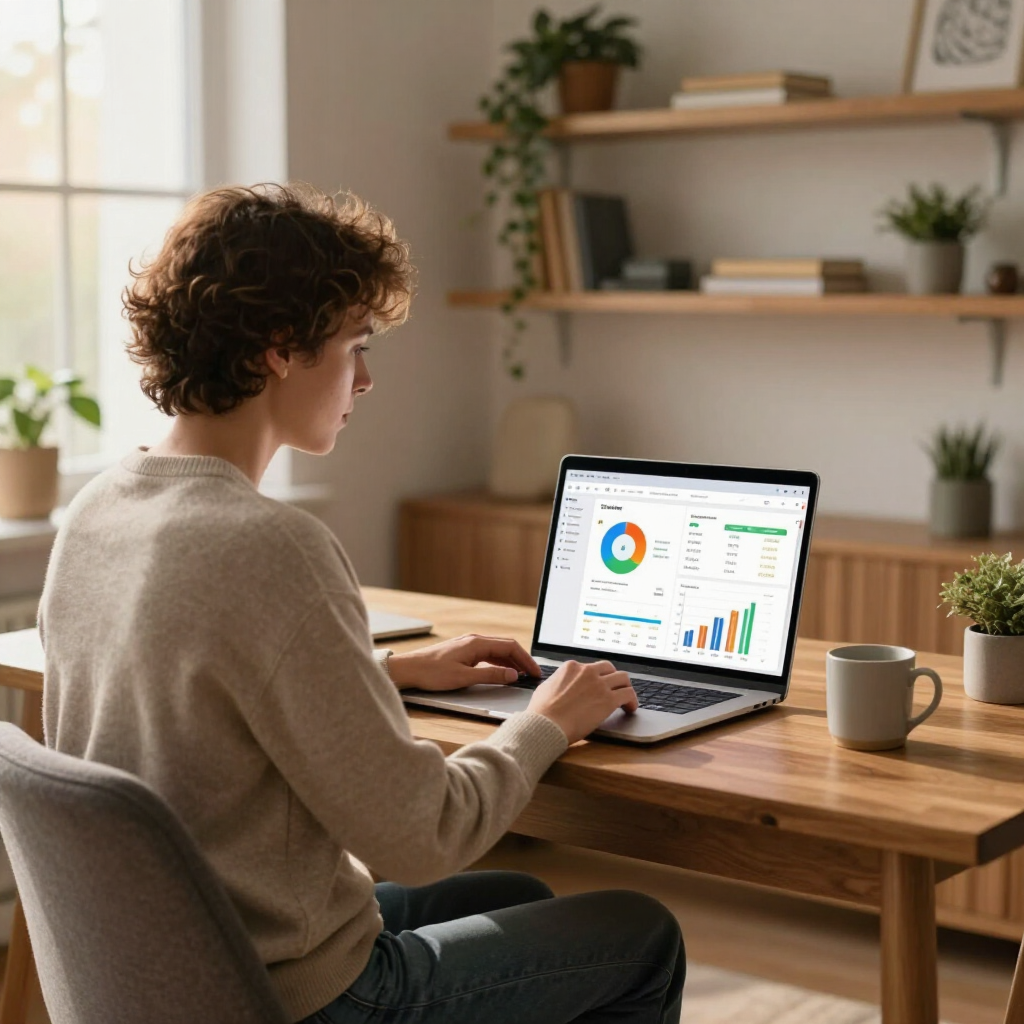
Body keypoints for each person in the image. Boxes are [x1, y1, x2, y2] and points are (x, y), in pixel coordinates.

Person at [38, 183, 685, 1024]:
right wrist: (547, 722)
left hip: (165, 972)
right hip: (291, 994)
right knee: (641, 934)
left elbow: (190, 692)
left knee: (517, 891)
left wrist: (382, 669)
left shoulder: (100, 507)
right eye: (355, 345)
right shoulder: (272, 546)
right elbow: (423, 837)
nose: (367, 378)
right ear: (278, 347)